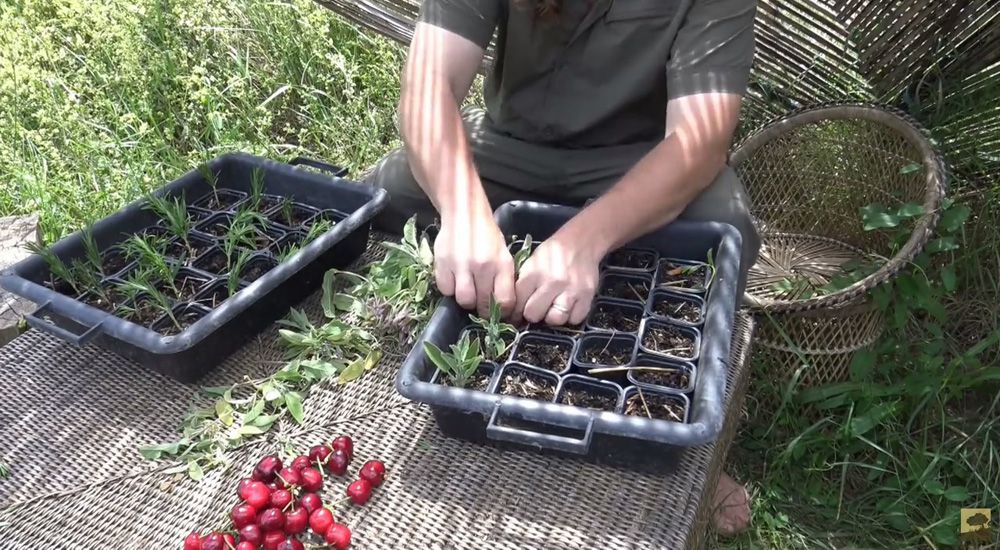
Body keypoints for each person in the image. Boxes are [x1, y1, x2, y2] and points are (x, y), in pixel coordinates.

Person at [364, 0, 760, 535]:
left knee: (725, 225)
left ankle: (682, 453)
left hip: (633, 161)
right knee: (387, 190)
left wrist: (584, 241)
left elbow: (700, 141)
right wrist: (463, 211)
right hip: (511, 145)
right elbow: (428, 84)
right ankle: (401, 360)